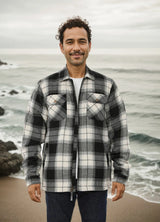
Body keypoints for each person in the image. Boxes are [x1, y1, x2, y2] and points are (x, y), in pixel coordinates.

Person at [22, 16, 130, 222]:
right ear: (61, 47)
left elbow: (119, 132)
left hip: (96, 181)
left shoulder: (106, 86)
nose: (76, 47)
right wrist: (32, 176)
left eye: (81, 41)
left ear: (89, 45)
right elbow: (32, 137)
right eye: (70, 42)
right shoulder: (45, 86)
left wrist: (121, 174)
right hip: (56, 180)